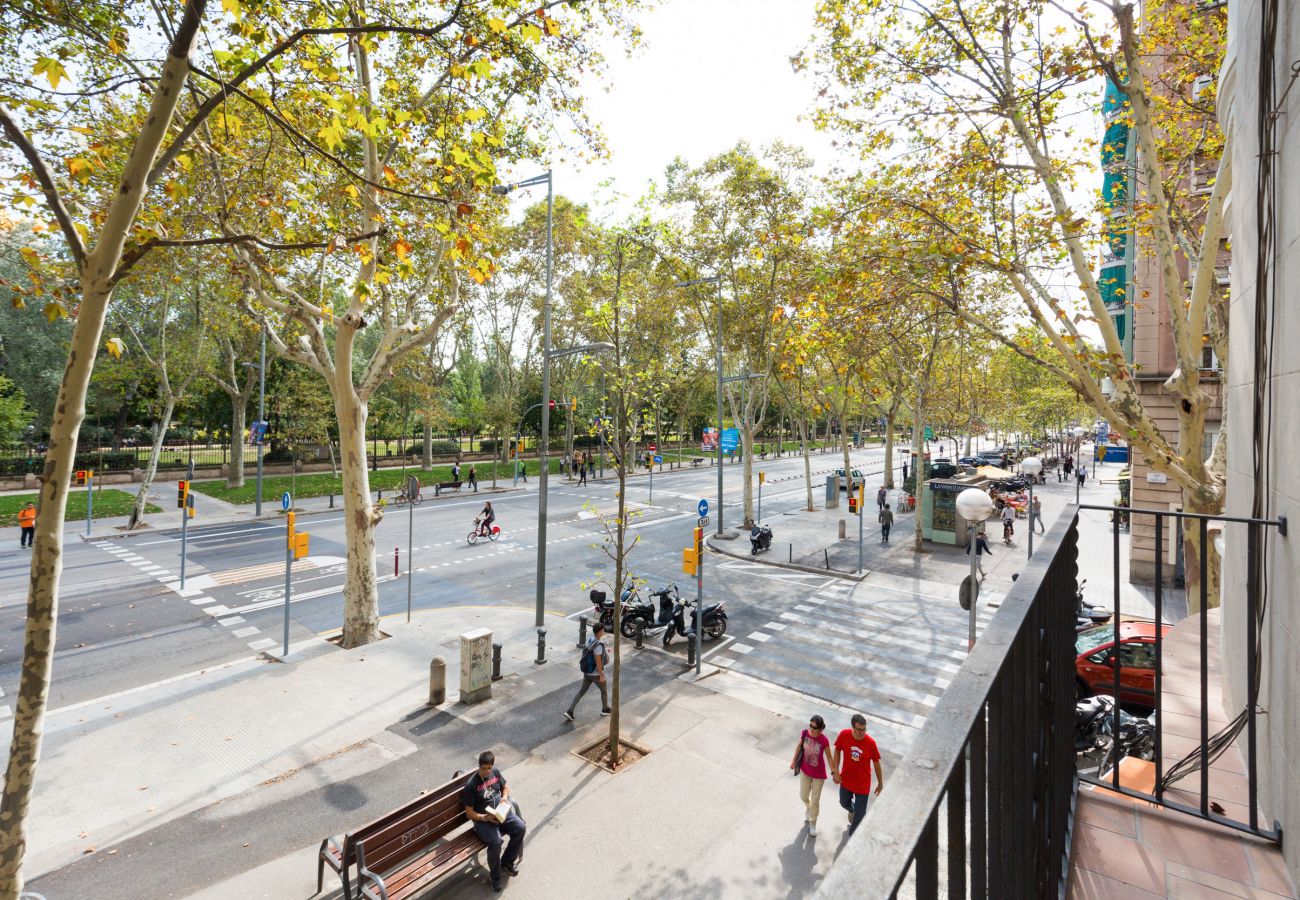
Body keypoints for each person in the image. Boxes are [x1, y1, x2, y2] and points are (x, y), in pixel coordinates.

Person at [462, 750, 526, 892]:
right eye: (483, 768)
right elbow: (469, 813)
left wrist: (504, 797)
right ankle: (495, 878)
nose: (486, 771)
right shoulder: (471, 785)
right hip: (483, 821)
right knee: (496, 842)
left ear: (492, 766)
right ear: (479, 766)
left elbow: (505, 788)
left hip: (500, 813)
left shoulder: (495, 773)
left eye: (489, 768)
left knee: (520, 827)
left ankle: (506, 863)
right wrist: (484, 817)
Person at [832, 713, 884, 835]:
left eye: (864, 729)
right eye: (859, 730)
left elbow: (876, 763)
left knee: (860, 816)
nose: (862, 732)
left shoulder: (870, 743)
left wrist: (880, 783)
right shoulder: (844, 735)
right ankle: (852, 810)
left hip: (863, 784)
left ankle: (853, 837)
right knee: (844, 803)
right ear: (853, 728)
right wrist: (836, 771)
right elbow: (837, 750)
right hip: (846, 779)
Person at [790, 714, 832, 836]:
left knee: (815, 800)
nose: (812, 729)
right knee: (803, 795)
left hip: (819, 774)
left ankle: (813, 822)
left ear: (821, 729)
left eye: (815, 728)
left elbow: (829, 757)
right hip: (805, 770)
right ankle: (808, 807)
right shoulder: (805, 733)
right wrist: (793, 761)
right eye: (811, 726)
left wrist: (835, 772)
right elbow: (799, 747)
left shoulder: (824, 740)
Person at [564, 621, 609, 721]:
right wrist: (601, 674)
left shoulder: (590, 640)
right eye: (603, 630)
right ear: (600, 632)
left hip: (587, 673)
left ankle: (570, 711)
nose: (604, 632)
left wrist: (605, 650)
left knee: (581, 692)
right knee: (604, 691)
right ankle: (605, 709)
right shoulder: (598, 646)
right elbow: (598, 661)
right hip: (595, 674)